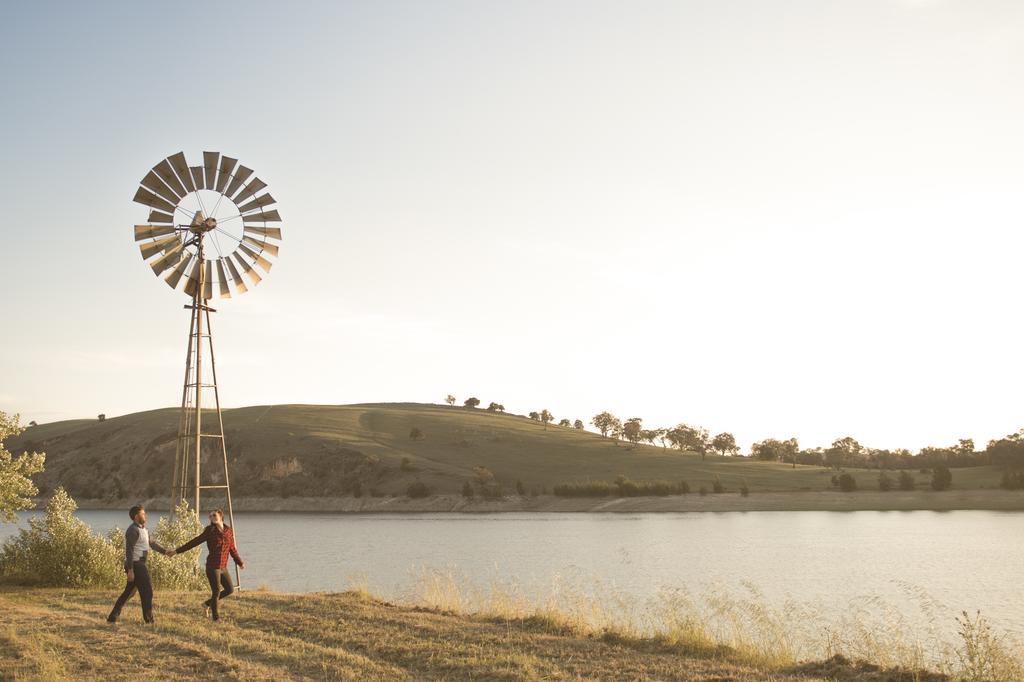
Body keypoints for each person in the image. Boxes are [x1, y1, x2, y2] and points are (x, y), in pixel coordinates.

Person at [174, 509, 245, 621]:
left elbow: (232, 548)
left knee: (230, 589)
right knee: (216, 591)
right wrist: (176, 551)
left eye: (214, 515)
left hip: (223, 567)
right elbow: (194, 542)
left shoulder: (228, 531)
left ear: (221, 516)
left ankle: (207, 604)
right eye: (210, 516)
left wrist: (239, 562)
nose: (212, 517)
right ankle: (215, 618)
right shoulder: (210, 531)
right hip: (212, 567)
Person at [107, 505, 172, 624]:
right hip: (136, 565)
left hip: (139, 564)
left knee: (129, 592)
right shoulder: (132, 530)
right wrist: (131, 570)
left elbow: (152, 543)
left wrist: (165, 552)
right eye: (143, 514)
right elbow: (129, 550)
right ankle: (149, 620)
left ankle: (112, 617)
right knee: (147, 591)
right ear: (136, 516)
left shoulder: (144, 529)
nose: (145, 515)